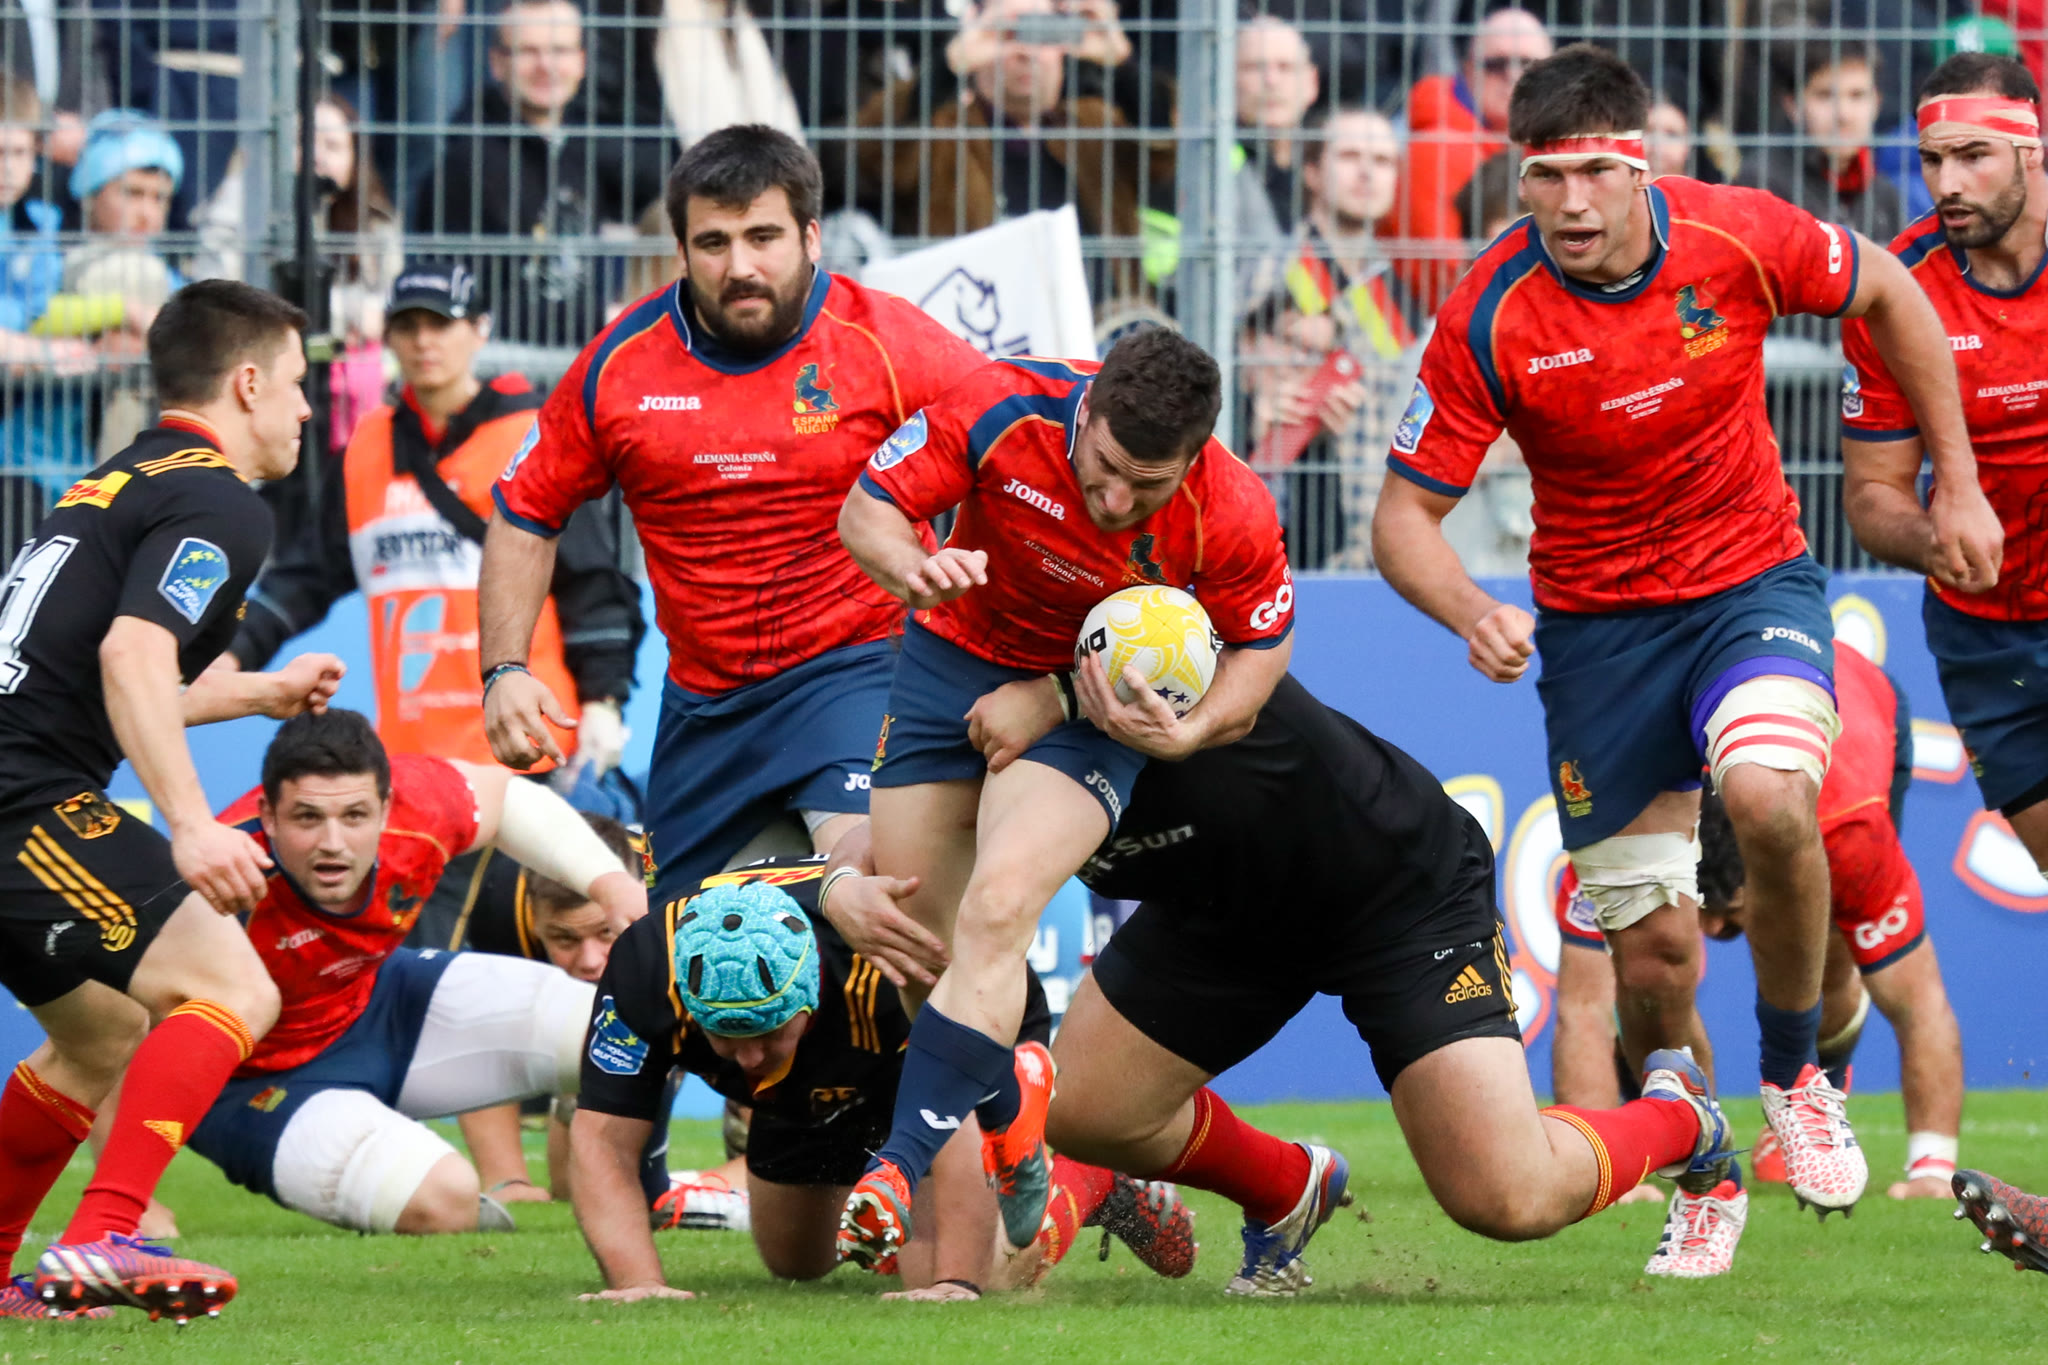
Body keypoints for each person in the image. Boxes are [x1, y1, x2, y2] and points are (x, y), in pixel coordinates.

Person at [1369, 44, 2000, 1271]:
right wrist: (1468, 610)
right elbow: (1402, 518)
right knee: (1653, 961)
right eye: (1543, 177)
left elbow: (1889, 291)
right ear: (1517, 178)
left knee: (1768, 799)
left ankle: (1794, 1080)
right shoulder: (1489, 312)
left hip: (1747, 586)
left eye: (1594, 173)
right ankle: (1701, 1167)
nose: (1569, 204)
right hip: (1597, 640)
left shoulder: (1734, 235)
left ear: (1641, 163)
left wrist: (1955, 482)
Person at [829, 674, 1736, 1296]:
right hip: (1222, 909)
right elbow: (870, 849)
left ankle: (1683, 1116)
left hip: (1393, 888)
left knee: (1506, 1196)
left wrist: (1063, 694)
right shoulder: (947, 720)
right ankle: (1286, 1185)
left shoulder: (1141, 646)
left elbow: (1241, 631)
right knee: (1087, 1110)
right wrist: (837, 882)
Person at [831, 327, 1296, 1271]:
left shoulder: (1233, 506)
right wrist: (912, 567)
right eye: (1107, 468)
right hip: (949, 663)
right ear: (1087, 413)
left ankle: (897, 1170)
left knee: (999, 908)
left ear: (1194, 457)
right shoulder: (1003, 406)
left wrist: (1194, 730)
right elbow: (867, 509)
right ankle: (1024, 1118)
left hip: (1091, 707)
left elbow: (1263, 647)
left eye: (1148, 486)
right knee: (923, 952)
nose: (1117, 501)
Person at [482, 126, 987, 902]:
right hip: (705, 706)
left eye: (763, 237)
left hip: (859, 665)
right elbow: (525, 510)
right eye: (713, 243)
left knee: (884, 884)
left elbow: (1012, 448)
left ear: (811, 237)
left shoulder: (886, 341)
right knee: (677, 952)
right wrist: (504, 669)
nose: (740, 266)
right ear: (681, 251)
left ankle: (967, 975)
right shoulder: (621, 366)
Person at [0, 279, 346, 1322]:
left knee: (100, 1033)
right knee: (235, 989)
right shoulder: (221, 500)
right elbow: (132, 655)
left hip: (18, 791)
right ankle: (105, 1233)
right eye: (296, 384)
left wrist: (257, 691)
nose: (306, 409)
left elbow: (110, 676)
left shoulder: (120, 477)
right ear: (246, 383)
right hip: (24, 802)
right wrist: (191, 826)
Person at [570, 854, 1190, 1299]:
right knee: (796, 1262)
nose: (750, 1057)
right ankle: (905, 1220)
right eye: (726, 1039)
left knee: (984, 1272)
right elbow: (601, 1138)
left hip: (929, 1059)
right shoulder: (644, 970)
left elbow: (959, 1092)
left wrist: (954, 1284)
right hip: (806, 1094)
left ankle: (1087, 1183)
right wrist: (639, 1285)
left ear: (809, 998)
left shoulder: (889, 961)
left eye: (767, 1034)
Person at [1550, 641, 1966, 1249]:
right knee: (1652, 970)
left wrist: (1933, 1169)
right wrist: (1607, 1170)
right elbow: (1583, 1006)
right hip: (1701, 725)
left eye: (1731, 914)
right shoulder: (1624, 834)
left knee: (1832, 955)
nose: (1717, 936)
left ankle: (1818, 1088)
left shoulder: (1850, 833)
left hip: (1856, 707)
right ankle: (1685, 1134)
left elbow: (1918, 1000)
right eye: (1706, 915)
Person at [185, 709, 647, 1235]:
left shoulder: (416, 806)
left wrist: (610, 884)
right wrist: (129, 1200)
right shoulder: (214, 877)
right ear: (268, 816)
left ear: (385, 807)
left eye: (355, 816)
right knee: (445, 1202)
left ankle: (653, 1195)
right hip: (254, 1078)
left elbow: (509, 798)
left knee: (628, 1029)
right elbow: (126, 1018)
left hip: (377, 1004)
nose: (333, 841)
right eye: (308, 818)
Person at [225, 259, 642, 779]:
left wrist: (604, 702)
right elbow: (305, 578)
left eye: (441, 324)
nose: (424, 341)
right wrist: (232, 653)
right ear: (389, 338)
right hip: (413, 760)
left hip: (526, 750)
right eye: (407, 326)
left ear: (480, 330)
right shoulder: (365, 450)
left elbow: (591, 583)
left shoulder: (530, 435)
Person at [1841, 53, 2048, 880]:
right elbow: (1872, 494)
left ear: (2032, 148)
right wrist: (1936, 540)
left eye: (1973, 156)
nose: (1947, 183)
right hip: (1989, 633)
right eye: (1932, 160)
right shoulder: (1895, 290)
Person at [410, 0, 667, 346]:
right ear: (497, 63)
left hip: (581, 354)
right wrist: (602, 320)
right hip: (504, 361)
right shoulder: (466, 163)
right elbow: (466, 301)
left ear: (581, 61)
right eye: (528, 51)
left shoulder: (582, 145)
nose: (546, 65)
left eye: (560, 51)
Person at [1240, 105, 1415, 570]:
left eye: (1382, 161)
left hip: (1380, 545)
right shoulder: (1270, 272)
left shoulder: (1396, 290)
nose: (1367, 173)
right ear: (1313, 172)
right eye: (1350, 156)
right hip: (1286, 536)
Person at [852, 0, 1158, 257]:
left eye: (1043, 32)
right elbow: (867, 154)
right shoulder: (944, 131)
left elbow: (1167, 152)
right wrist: (949, 63)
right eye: (1009, 32)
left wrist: (1123, 63)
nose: (1026, 51)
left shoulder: (1094, 124)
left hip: (1103, 309)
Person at [1388, 7, 1553, 311]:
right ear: (1468, 70)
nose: (1513, 75)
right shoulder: (1436, 150)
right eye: (1496, 64)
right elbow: (1443, 278)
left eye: (1529, 65)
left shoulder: (1556, 147)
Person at [1742, 39, 1907, 247]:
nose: (1843, 114)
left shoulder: (1885, 195)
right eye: (1825, 95)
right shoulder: (1762, 184)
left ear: (1877, 103)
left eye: (1857, 95)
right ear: (1793, 105)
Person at [1235, 14, 1323, 234]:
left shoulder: (1332, 161)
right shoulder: (1207, 161)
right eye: (1254, 67)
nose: (1271, 81)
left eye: (1285, 67)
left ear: (1312, 82)